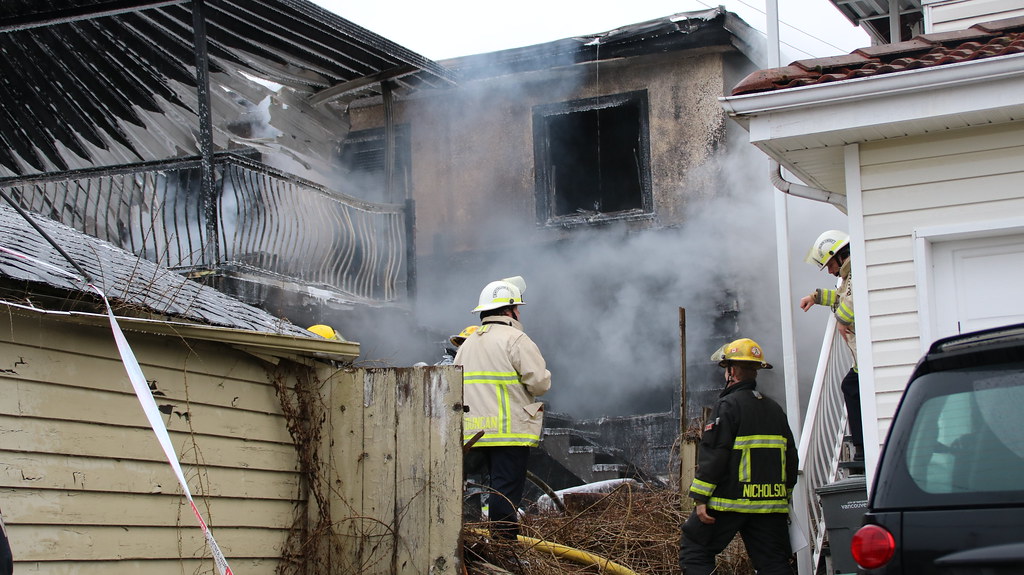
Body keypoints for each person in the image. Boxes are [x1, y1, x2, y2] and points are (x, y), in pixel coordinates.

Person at [680, 338, 798, 575]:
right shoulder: (775, 410)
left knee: (695, 548)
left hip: (729, 502)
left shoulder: (728, 406)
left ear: (732, 371)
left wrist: (701, 497)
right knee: (773, 562)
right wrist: (783, 496)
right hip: (770, 505)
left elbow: (715, 453)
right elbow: (791, 457)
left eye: (726, 369)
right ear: (756, 372)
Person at [455, 275, 550, 538]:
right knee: (505, 493)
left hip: (474, 432)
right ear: (508, 310)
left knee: (473, 489)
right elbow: (540, 383)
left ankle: (472, 539)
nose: (519, 313)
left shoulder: (468, 344)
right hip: (508, 432)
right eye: (517, 307)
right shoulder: (515, 339)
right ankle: (503, 545)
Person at [799, 229, 862, 462]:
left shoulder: (858, 270)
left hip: (866, 358)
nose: (830, 270)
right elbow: (840, 297)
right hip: (861, 358)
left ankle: (863, 450)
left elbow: (852, 301)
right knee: (850, 386)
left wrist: (841, 320)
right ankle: (861, 448)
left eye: (829, 264)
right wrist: (815, 297)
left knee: (851, 388)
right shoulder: (849, 276)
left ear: (839, 255)